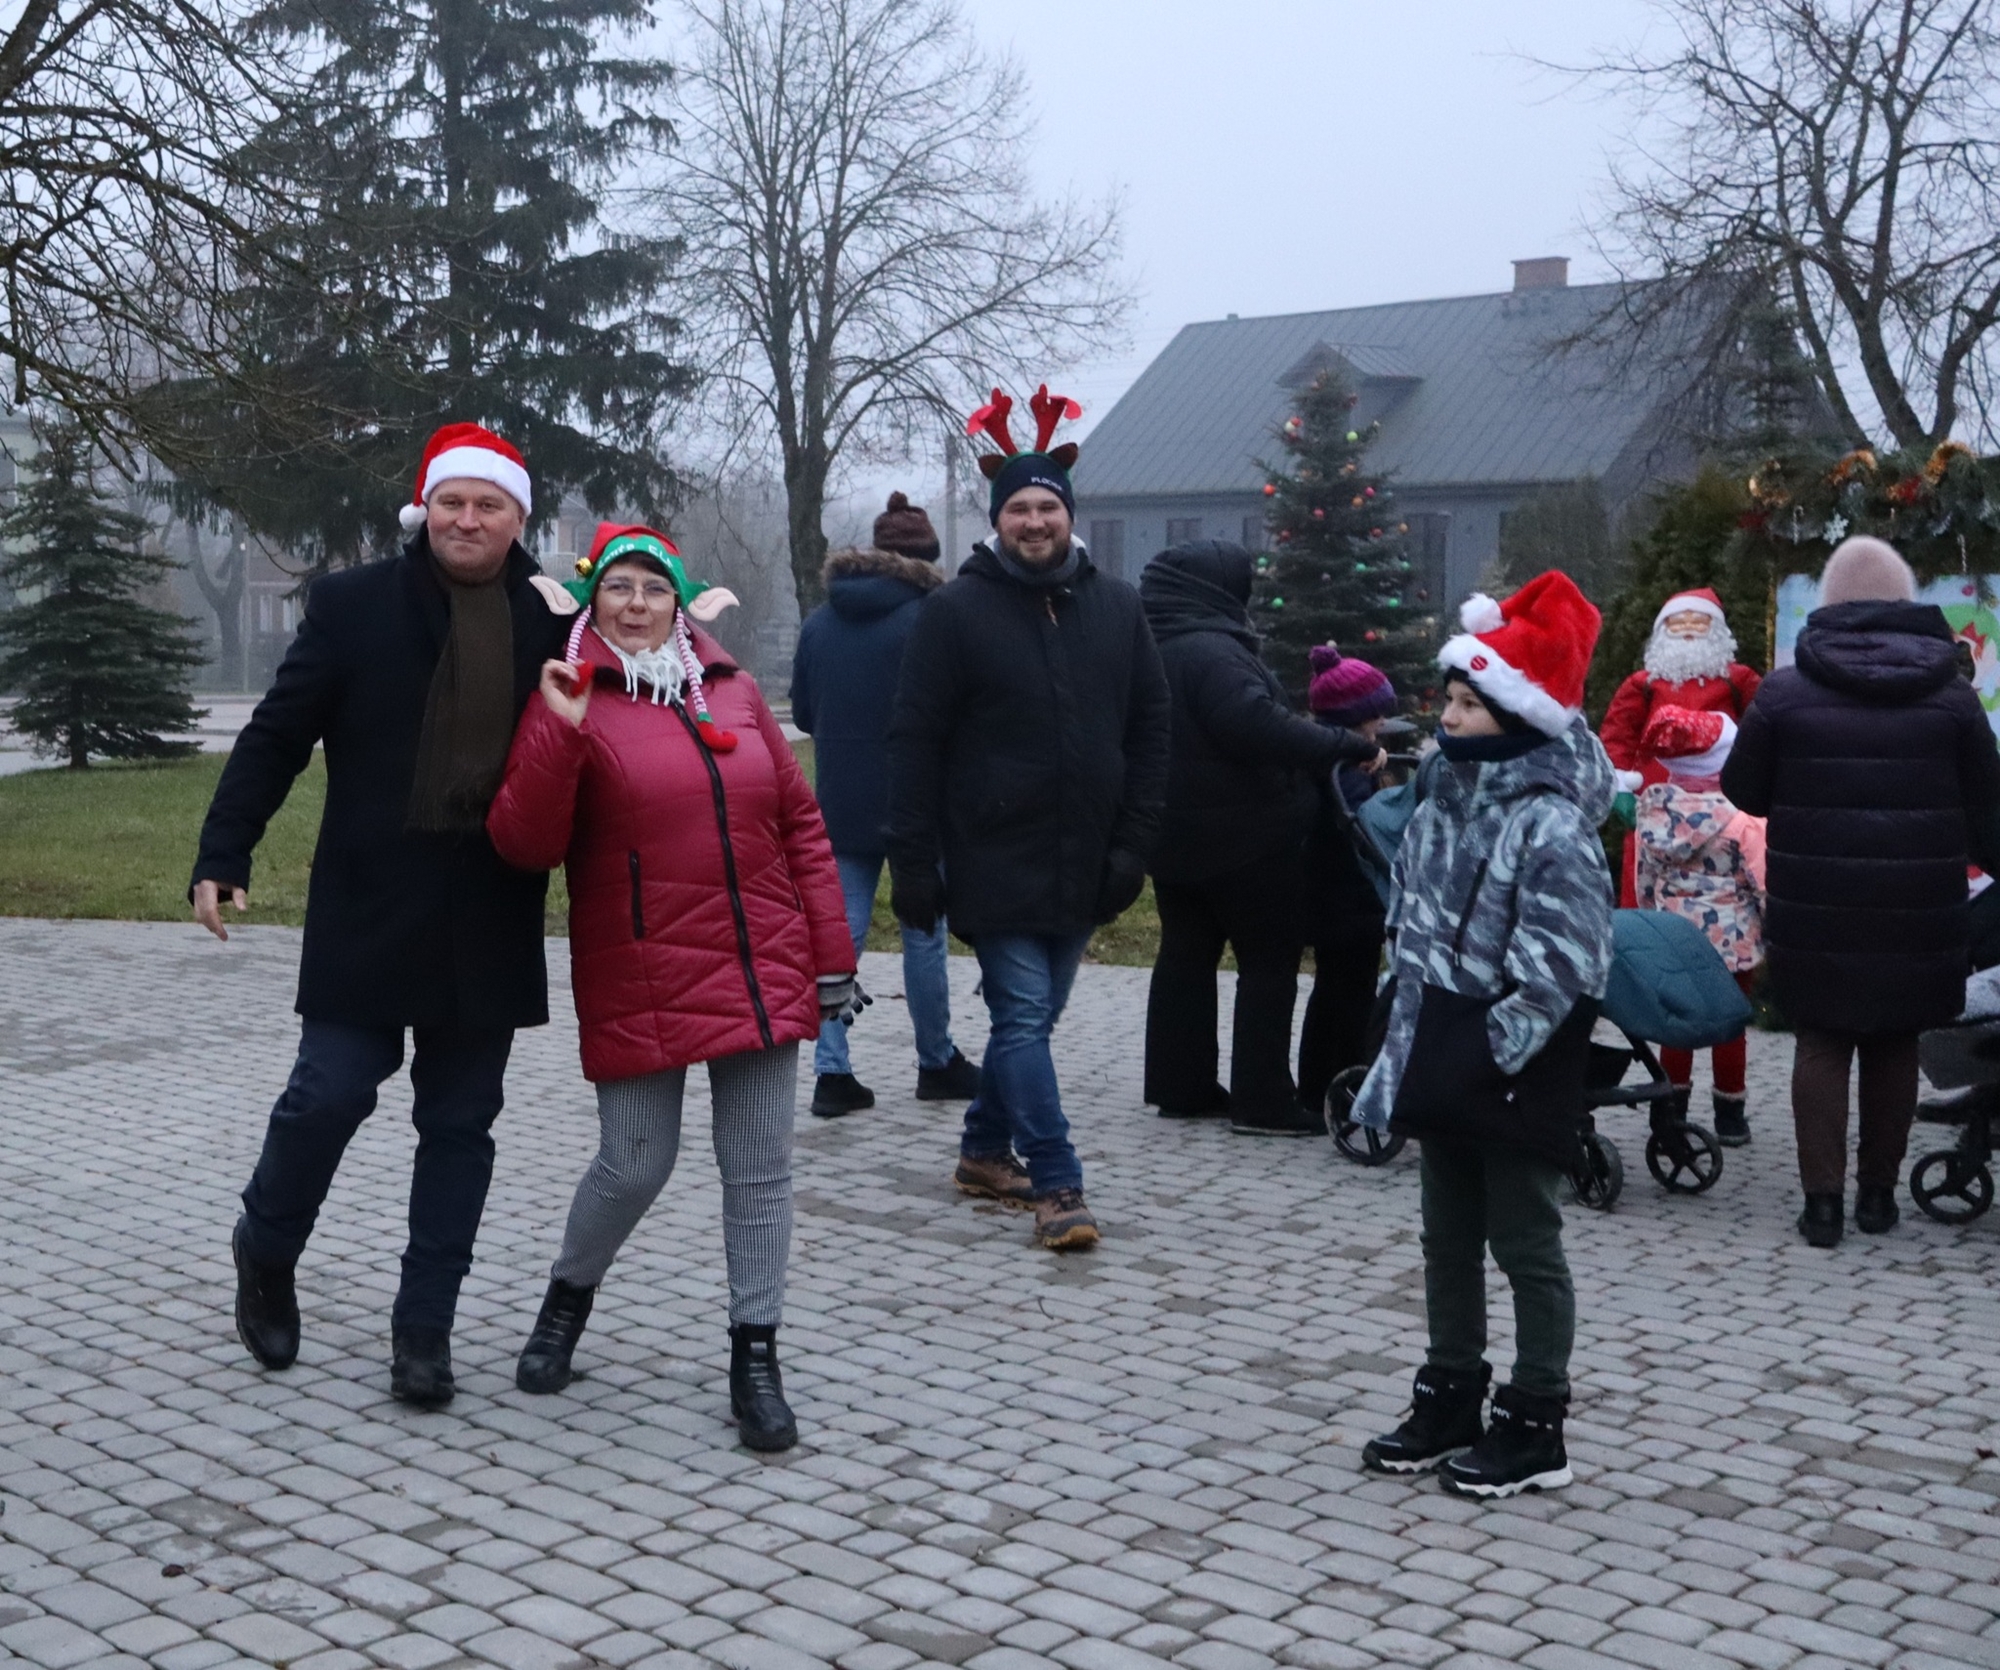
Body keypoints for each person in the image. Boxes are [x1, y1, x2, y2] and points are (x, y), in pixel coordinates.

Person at [191, 423, 570, 1407]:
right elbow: (276, 733)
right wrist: (222, 851)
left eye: (488, 504)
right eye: (452, 501)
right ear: (424, 509)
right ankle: (265, 1244)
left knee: (459, 1123)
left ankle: (424, 1329)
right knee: (329, 1090)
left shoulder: (552, 618)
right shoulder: (356, 604)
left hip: (488, 906)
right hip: (370, 899)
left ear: (517, 518)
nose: (467, 518)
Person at [485, 523, 853, 1451]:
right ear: (595, 599)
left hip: (763, 962)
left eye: (654, 587)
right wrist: (558, 732)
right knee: (634, 1163)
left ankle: (755, 1355)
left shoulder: (730, 689)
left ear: (679, 601)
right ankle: (569, 1296)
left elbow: (802, 825)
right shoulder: (574, 693)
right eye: (620, 588)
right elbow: (524, 844)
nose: (638, 603)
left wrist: (832, 952)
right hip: (641, 965)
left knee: (760, 1173)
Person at [887, 385, 1169, 1251]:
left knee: (1035, 1023)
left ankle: (981, 1148)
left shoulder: (1117, 607)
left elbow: (1151, 730)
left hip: (1084, 858)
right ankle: (1057, 1184)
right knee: (1019, 1018)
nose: (1035, 521)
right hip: (992, 855)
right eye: (1019, 507)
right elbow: (915, 741)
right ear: (997, 519)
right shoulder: (954, 611)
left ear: (1069, 515)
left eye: (1048, 505)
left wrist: (1133, 849)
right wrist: (917, 865)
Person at [1352, 573, 1614, 1498]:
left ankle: (1536, 1420)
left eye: (1469, 701)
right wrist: (1405, 1022)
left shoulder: (1550, 823)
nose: (1449, 717)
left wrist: (1497, 1043)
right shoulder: (1437, 809)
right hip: (1440, 1047)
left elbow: (1568, 961)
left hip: (1509, 1060)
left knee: (1525, 1242)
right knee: (1445, 1239)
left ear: (1515, 710)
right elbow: (1408, 924)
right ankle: (1449, 1392)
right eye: (1450, 700)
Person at [1722, 536, 2000, 1248]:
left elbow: (1742, 791)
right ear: (1908, 603)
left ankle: (1822, 1207)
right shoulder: (1953, 695)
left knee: (1821, 1042)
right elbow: (1987, 809)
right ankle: (1878, 1197)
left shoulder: (1784, 691)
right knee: (1894, 1043)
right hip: (1920, 906)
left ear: (1829, 603)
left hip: (1815, 905)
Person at [1137, 546, 1384, 1134]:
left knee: (1185, 957)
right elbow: (1252, 725)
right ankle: (1263, 1100)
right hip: (1246, 838)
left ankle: (1181, 1085)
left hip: (1170, 835)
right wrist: (1343, 743)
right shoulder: (1214, 651)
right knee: (1268, 963)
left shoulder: (1152, 646)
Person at [789, 493, 981, 1119]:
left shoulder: (820, 621)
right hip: (919, 801)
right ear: (926, 558)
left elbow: (804, 713)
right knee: (924, 933)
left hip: (841, 798)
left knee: (839, 934)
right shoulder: (937, 617)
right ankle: (936, 1062)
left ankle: (831, 1072)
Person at [1633, 706, 1765, 1145]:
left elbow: (1644, 881)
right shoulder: (1742, 820)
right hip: (1733, 942)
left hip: (1673, 939)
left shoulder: (1651, 813)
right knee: (1730, 1027)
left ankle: (1669, 1111)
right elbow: (1763, 882)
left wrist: (1655, 919)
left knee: (1678, 1025)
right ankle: (1730, 1115)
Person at [1601, 588, 1762, 906]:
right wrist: (1618, 785)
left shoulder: (1739, 681)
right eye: (1678, 623)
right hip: (1657, 802)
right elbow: (1618, 735)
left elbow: (1761, 727)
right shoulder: (1643, 684)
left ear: (1716, 630)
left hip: (1724, 801)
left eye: (1699, 621)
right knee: (1649, 878)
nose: (1688, 628)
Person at [1296, 645, 1401, 1121]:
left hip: (1324, 896)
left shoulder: (1321, 760)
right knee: (1351, 996)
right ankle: (1345, 1082)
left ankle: (1318, 1084)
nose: (1380, 725)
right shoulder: (1350, 777)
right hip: (1351, 901)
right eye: (1375, 715)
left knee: (1330, 990)